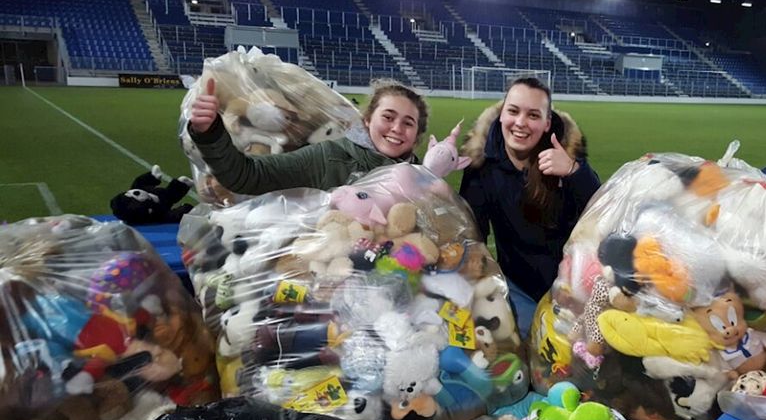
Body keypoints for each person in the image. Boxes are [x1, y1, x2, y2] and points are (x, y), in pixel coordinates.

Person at [459, 77, 600, 339]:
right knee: (527, 348)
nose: (521, 123)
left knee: (580, 354)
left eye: (533, 115)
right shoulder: (481, 165)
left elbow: (601, 213)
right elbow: (472, 234)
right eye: (513, 111)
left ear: (547, 123)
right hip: (518, 287)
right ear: (502, 114)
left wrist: (573, 171)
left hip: (573, 285)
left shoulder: (565, 153)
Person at [188, 78, 451, 194]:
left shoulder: (421, 176)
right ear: (368, 119)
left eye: (408, 123)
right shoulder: (329, 157)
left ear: (417, 134)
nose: (396, 129)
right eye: (388, 117)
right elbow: (248, 176)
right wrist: (210, 132)